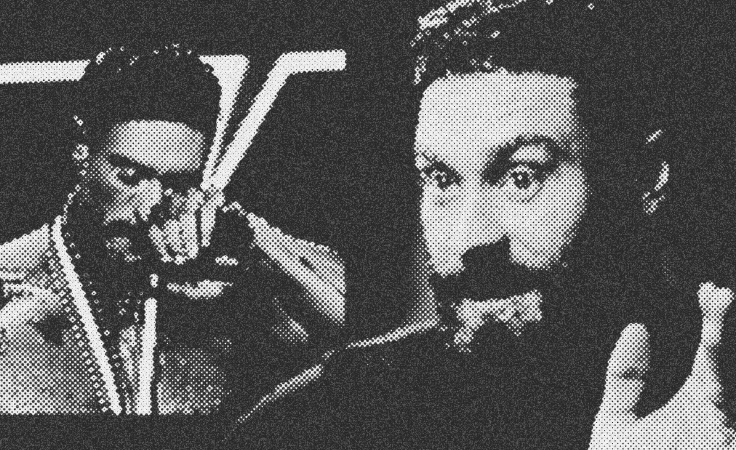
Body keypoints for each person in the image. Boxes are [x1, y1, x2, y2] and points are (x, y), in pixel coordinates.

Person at [230, 1, 736, 448]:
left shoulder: (717, 406)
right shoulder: (329, 417)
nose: (469, 239)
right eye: (442, 180)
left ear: (643, 177)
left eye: (521, 178)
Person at [0, 43, 346, 418]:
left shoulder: (228, 286)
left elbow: (355, 338)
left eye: (178, 184)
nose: (151, 204)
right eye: (130, 176)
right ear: (82, 152)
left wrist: (249, 236)